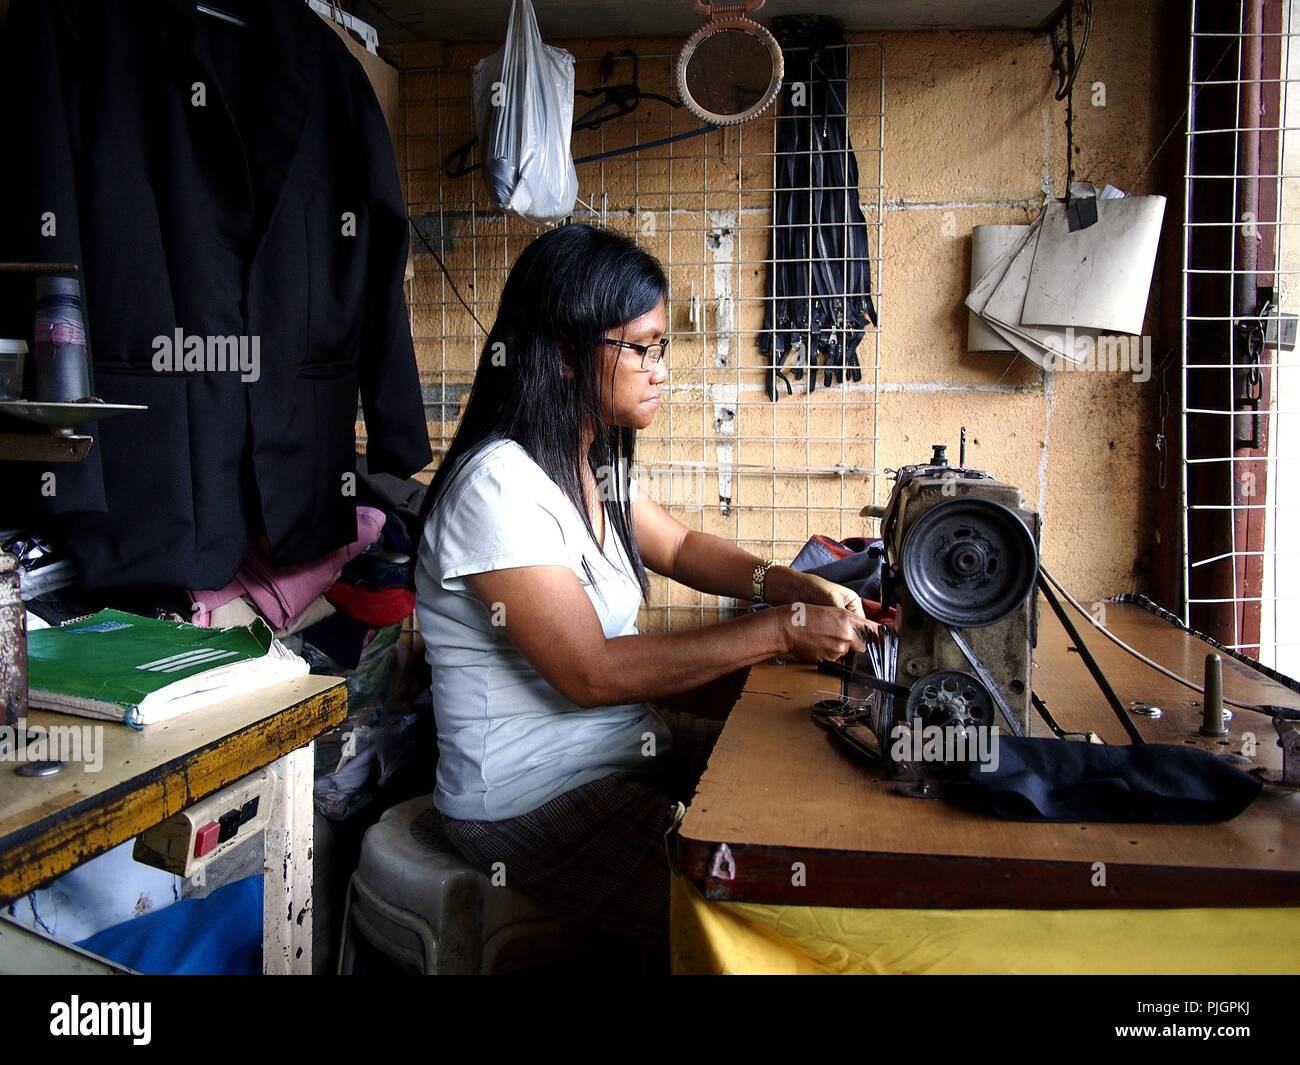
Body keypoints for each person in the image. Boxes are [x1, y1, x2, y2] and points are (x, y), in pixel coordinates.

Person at [415, 223, 885, 955]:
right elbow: (590, 671)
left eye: (660, 346)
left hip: (622, 752)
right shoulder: (497, 488)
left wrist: (793, 582)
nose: (661, 369)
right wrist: (780, 628)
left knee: (799, 768)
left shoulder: (586, 463)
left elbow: (683, 546)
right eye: (640, 347)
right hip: (529, 802)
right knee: (761, 907)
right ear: (568, 353)